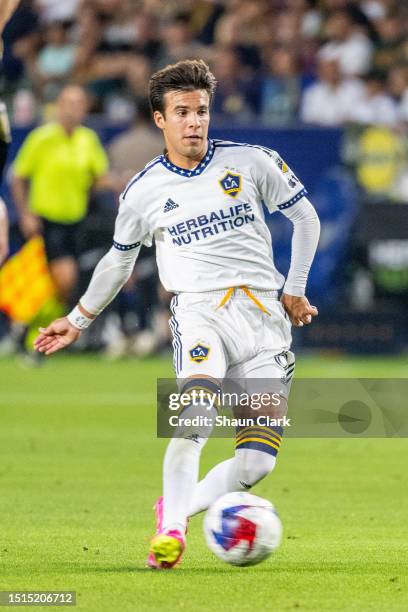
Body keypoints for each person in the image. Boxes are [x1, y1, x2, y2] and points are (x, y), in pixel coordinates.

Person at [34, 59, 320, 569]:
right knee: (195, 418)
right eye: (183, 112)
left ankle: (178, 506)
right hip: (200, 314)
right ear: (160, 119)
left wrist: (294, 289)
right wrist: (77, 319)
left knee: (255, 464)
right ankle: (170, 535)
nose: (195, 122)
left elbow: (305, 217)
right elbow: (118, 260)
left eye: (202, 111)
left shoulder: (251, 162)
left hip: (264, 321)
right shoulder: (143, 191)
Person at [11, 84, 109, 307]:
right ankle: (54, 323)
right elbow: (18, 177)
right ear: (58, 106)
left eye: (78, 104)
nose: (72, 109)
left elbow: (99, 176)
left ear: (85, 109)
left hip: (77, 219)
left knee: (70, 279)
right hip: (47, 221)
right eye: (67, 103)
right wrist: (25, 214)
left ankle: (52, 326)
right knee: (64, 277)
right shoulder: (41, 138)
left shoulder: (88, 139)